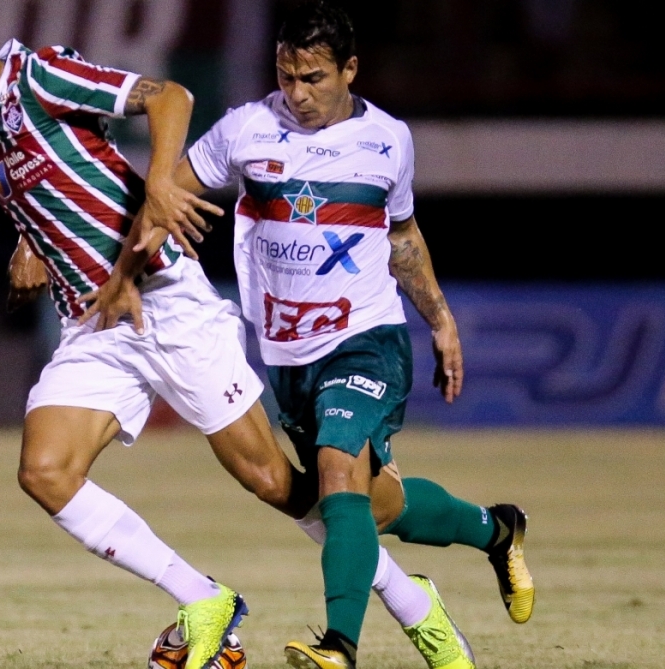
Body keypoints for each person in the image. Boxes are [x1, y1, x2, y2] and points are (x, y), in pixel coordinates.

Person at [0, 2, 484, 668]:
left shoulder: (39, 75)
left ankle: (409, 599)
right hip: (95, 317)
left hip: (165, 298)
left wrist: (159, 185)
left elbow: (169, 96)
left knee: (274, 481)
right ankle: (205, 598)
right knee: (44, 470)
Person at [126, 2, 535, 668]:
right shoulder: (246, 130)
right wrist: (130, 242)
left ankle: (340, 645)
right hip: (287, 356)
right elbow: (167, 193)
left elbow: (401, 238)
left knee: (338, 466)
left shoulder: (388, 140)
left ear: (350, 69)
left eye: (313, 78)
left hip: (366, 337)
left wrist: (440, 318)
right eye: (287, 77)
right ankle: (497, 530)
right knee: (372, 506)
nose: (298, 94)